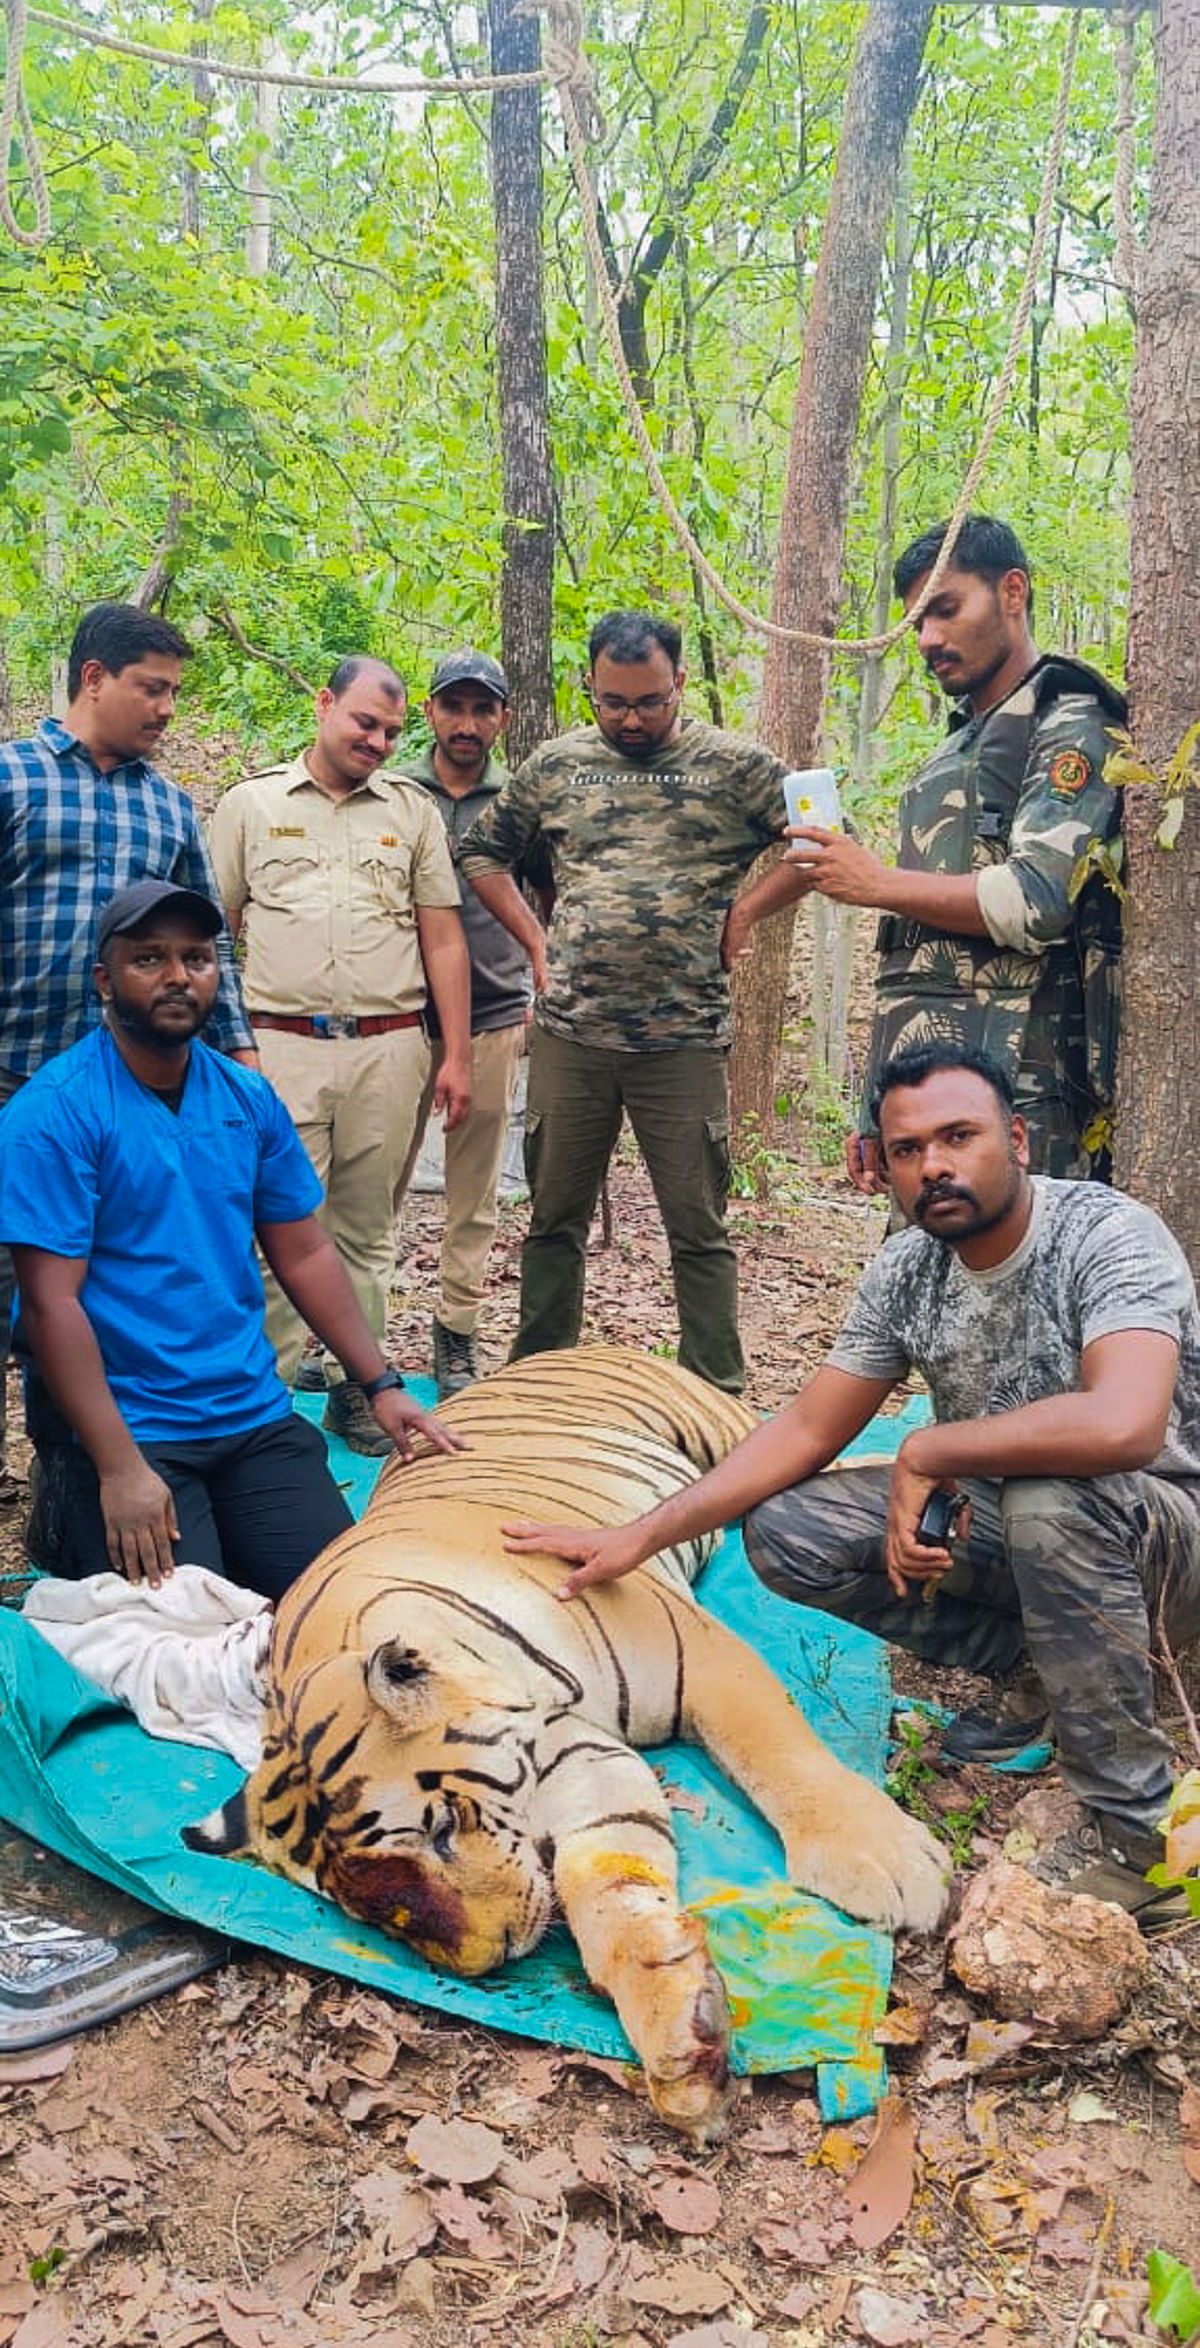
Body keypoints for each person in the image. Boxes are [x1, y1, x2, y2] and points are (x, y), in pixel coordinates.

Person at [501, 1044, 1200, 1918]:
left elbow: (1123, 1424)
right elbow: (804, 1429)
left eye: (958, 1136)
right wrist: (639, 1536)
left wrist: (929, 1451)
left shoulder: (1104, 1232)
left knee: (1048, 1500)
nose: (934, 1166)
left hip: (1164, 1538)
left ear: (1017, 1140)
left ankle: (1138, 1839)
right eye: (907, 1150)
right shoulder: (907, 1270)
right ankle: (1041, 1671)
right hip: (1033, 1527)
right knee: (790, 1530)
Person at [0, 882, 457, 1599]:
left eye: (198, 957)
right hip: (130, 1425)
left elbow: (303, 1251)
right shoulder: (54, 1112)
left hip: (249, 1414)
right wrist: (120, 1469)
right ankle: (70, 1503)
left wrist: (381, 1384)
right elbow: (52, 1304)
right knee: (191, 1635)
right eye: (149, 959)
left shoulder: (246, 1099)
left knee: (340, 1603)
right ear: (104, 980)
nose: (179, 976)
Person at [458, 610, 812, 1395]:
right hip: (571, 1036)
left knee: (699, 1229)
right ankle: (538, 1388)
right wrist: (534, 941)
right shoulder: (558, 764)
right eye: (612, 701)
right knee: (554, 1222)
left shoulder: (736, 765)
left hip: (682, 1040)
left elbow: (823, 836)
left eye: (650, 701)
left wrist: (746, 910)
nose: (630, 719)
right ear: (590, 686)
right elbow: (481, 848)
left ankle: (715, 1395)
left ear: (680, 682)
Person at [784, 515, 1127, 1192]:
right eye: (916, 622)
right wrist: (881, 1102)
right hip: (933, 1092)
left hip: (1023, 1096)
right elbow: (918, 956)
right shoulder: (959, 746)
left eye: (945, 609)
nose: (929, 638)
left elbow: (1037, 902)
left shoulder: (1072, 720)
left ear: (1012, 593)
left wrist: (875, 881)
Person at [0, 602, 255, 1510]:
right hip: (16, 1082)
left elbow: (209, 944)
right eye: (152, 688)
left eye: (175, 693)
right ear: (94, 678)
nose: (166, 710)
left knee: (82, 1295)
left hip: (128, 1104)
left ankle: (63, 1475)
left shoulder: (168, 804)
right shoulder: (12, 778)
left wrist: (240, 1051)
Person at [208, 657, 472, 1454]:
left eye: (393, 731)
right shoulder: (250, 805)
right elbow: (213, 934)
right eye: (365, 722)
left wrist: (454, 1053)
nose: (379, 742)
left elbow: (443, 937)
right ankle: (262, 1401)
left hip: (390, 1049)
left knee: (367, 1231)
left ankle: (362, 1393)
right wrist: (232, 1048)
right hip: (276, 1048)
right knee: (277, 1224)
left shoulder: (412, 812)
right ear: (324, 704)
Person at [394, 650, 548, 1398]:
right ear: (428, 713)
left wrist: (539, 981)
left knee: (473, 1191)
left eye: (481, 709)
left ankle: (455, 1334)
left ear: (502, 720)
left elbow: (548, 902)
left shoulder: (520, 804)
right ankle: (342, 1336)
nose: (466, 723)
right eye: (452, 707)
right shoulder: (392, 793)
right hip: (391, 1016)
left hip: (490, 1013)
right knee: (372, 1186)